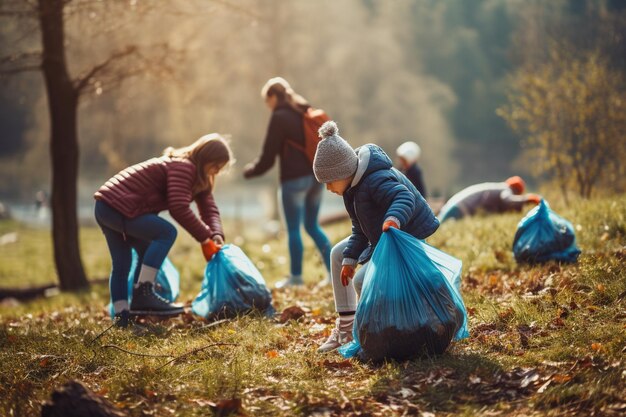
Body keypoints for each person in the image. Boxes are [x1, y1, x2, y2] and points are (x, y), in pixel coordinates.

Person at [312, 121, 440, 353]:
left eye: (329, 181)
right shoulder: (350, 188)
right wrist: (350, 259)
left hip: (406, 236)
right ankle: (347, 326)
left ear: (343, 171)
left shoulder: (375, 179)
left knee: (362, 281)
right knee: (338, 254)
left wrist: (393, 219)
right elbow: (359, 228)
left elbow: (404, 198)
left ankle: (376, 329)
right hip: (380, 237)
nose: (328, 188)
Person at [94, 134, 232, 327]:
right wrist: (204, 238)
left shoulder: (195, 175)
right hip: (118, 207)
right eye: (215, 166)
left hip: (105, 207)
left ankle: (122, 320)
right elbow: (178, 207)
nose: (216, 172)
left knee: (123, 264)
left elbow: (209, 208)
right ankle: (144, 292)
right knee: (166, 232)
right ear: (204, 158)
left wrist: (215, 234)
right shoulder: (184, 167)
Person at [244, 77, 332, 288]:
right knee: (312, 226)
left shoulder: (280, 117)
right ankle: (334, 273)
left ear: (273, 97)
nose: (268, 106)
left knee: (293, 229)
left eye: (268, 101)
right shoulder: (304, 110)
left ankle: (296, 278)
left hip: (294, 181)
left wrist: (250, 171)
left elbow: (268, 157)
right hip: (316, 177)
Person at [437, 176, 541, 223]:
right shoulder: (505, 189)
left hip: (455, 204)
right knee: (437, 229)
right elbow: (508, 200)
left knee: (437, 227)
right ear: (516, 190)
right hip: (460, 208)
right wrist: (528, 199)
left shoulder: (497, 187)